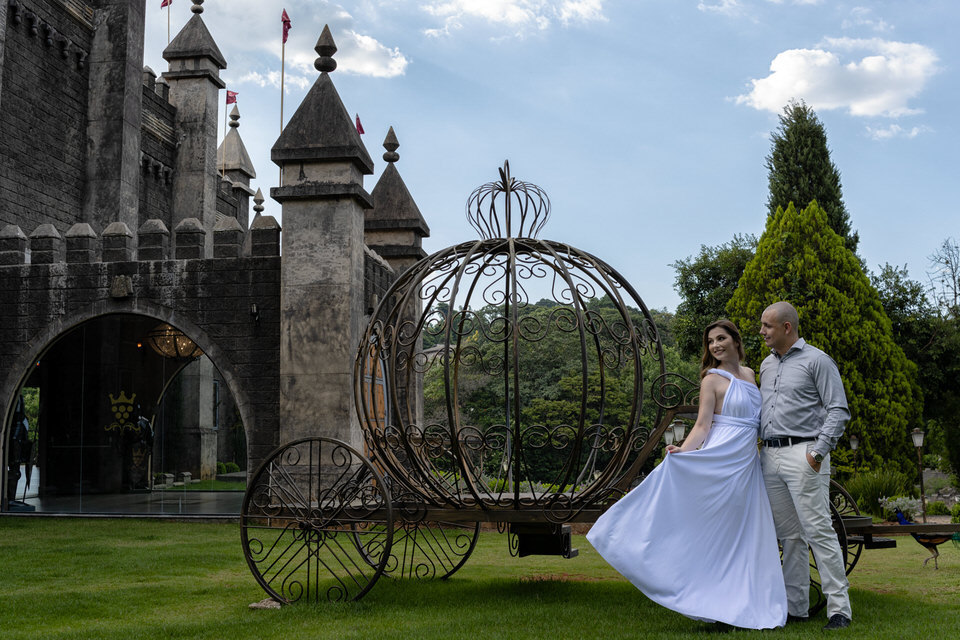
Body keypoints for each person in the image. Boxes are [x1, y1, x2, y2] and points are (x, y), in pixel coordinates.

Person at [587, 319, 787, 629]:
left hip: (746, 463)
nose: (715, 345)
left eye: (721, 338)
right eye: (710, 341)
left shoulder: (751, 375)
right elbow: (703, 425)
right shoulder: (711, 380)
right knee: (717, 533)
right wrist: (684, 450)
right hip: (720, 459)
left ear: (735, 340)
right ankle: (705, 598)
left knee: (743, 535)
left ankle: (738, 604)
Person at [758, 301, 852, 631]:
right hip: (770, 456)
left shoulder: (817, 360)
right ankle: (795, 608)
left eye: (767, 326)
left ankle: (839, 610)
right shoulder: (766, 365)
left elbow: (838, 409)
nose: (762, 331)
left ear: (787, 327)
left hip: (805, 454)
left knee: (818, 531)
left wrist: (818, 453)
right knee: (789, 537)